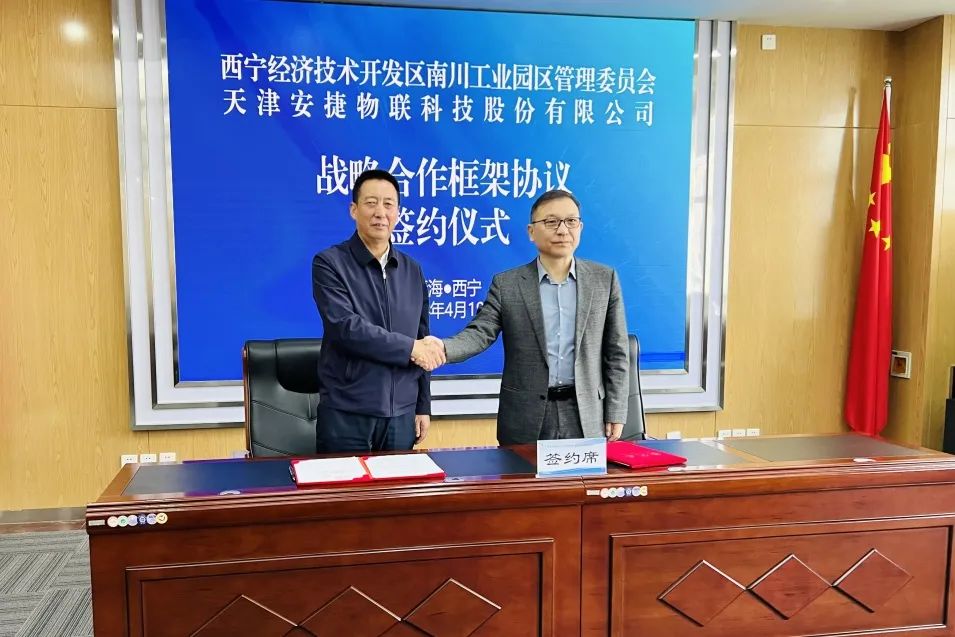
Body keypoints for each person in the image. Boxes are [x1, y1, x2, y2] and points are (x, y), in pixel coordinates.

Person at [425, 189, 629, 445]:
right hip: (526, 416)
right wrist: (442, 348)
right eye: (551, 222)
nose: (562, 230)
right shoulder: (507, 284)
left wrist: (616, 410)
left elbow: (617, 352)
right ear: (531, 232)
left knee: (584, 473)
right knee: (522, 472)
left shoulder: (604, 279)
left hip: (586, 414)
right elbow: (480, 333)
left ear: (580, 227)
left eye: (571, 221)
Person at [312, 169, 445, 453]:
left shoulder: (412, 270)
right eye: (371, 203)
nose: (380, 213)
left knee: (399, 484)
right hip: (347, 412)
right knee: (344, 484)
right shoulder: (329, 263)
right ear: (354, 210)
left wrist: (423, 406)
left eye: (388, 204)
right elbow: (345, 328)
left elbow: (422, 337)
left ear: (398, 212)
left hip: (402, 415)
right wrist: (410, 348)